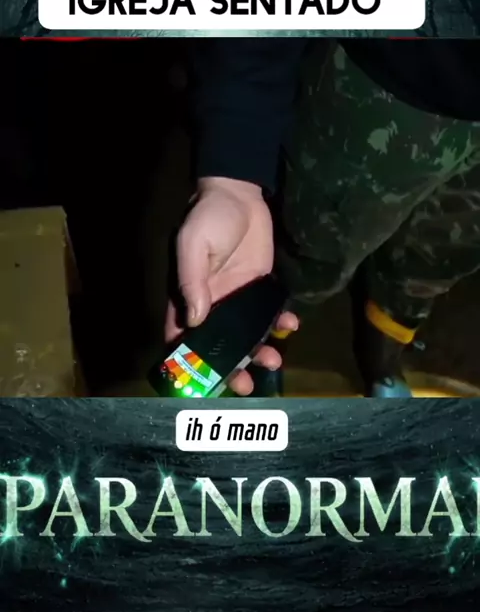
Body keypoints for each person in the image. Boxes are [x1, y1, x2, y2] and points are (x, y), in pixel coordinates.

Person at [165, 38, 480, 397]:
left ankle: (384, 363)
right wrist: (232, 176)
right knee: (312, 253)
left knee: (438, 259)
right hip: (393, 82)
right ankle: (269, 348)